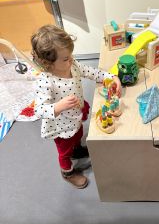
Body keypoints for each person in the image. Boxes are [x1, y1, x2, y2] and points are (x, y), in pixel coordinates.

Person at [31, 25, 121, 189]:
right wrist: (58, 106)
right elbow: (38, 110)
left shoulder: (73, 65)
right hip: (61, 125)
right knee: (64, 153)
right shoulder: (46, 81)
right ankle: (67, 172)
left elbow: (91, 72)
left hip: (76, 114)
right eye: (65, 59)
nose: (71, 60)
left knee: (78, 133)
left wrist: (111, 76)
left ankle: (77, 149)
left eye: (70, 56)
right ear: (48, 62)